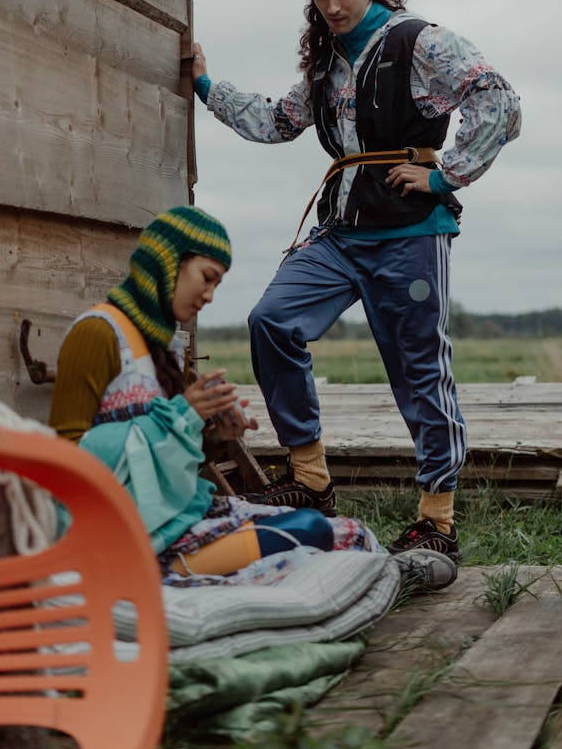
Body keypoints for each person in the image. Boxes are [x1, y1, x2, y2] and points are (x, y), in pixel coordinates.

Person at [191, 0, 522, 560]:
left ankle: (437, 521)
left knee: (419, 370)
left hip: (409, 235)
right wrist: (206, 84)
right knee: (271, 321)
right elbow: (276, 121)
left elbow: (497, 99)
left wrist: (447, 174)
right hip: (341, 234)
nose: (333, 8)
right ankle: (312, 481)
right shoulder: (325, 63)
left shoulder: (418, 41)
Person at [49, 204, 457, 587]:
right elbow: (65, 464)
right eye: (207, 277)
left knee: (344, 530)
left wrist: (211, 433)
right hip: (134, 540)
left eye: (218, 284)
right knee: (312, 536)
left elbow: (166, 462)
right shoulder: (97, 333)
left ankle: (380, 572)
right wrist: (179, 417)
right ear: (167, 261)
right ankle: (386, 577)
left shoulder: (163, 349)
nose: (209, 296)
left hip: (177, 518)